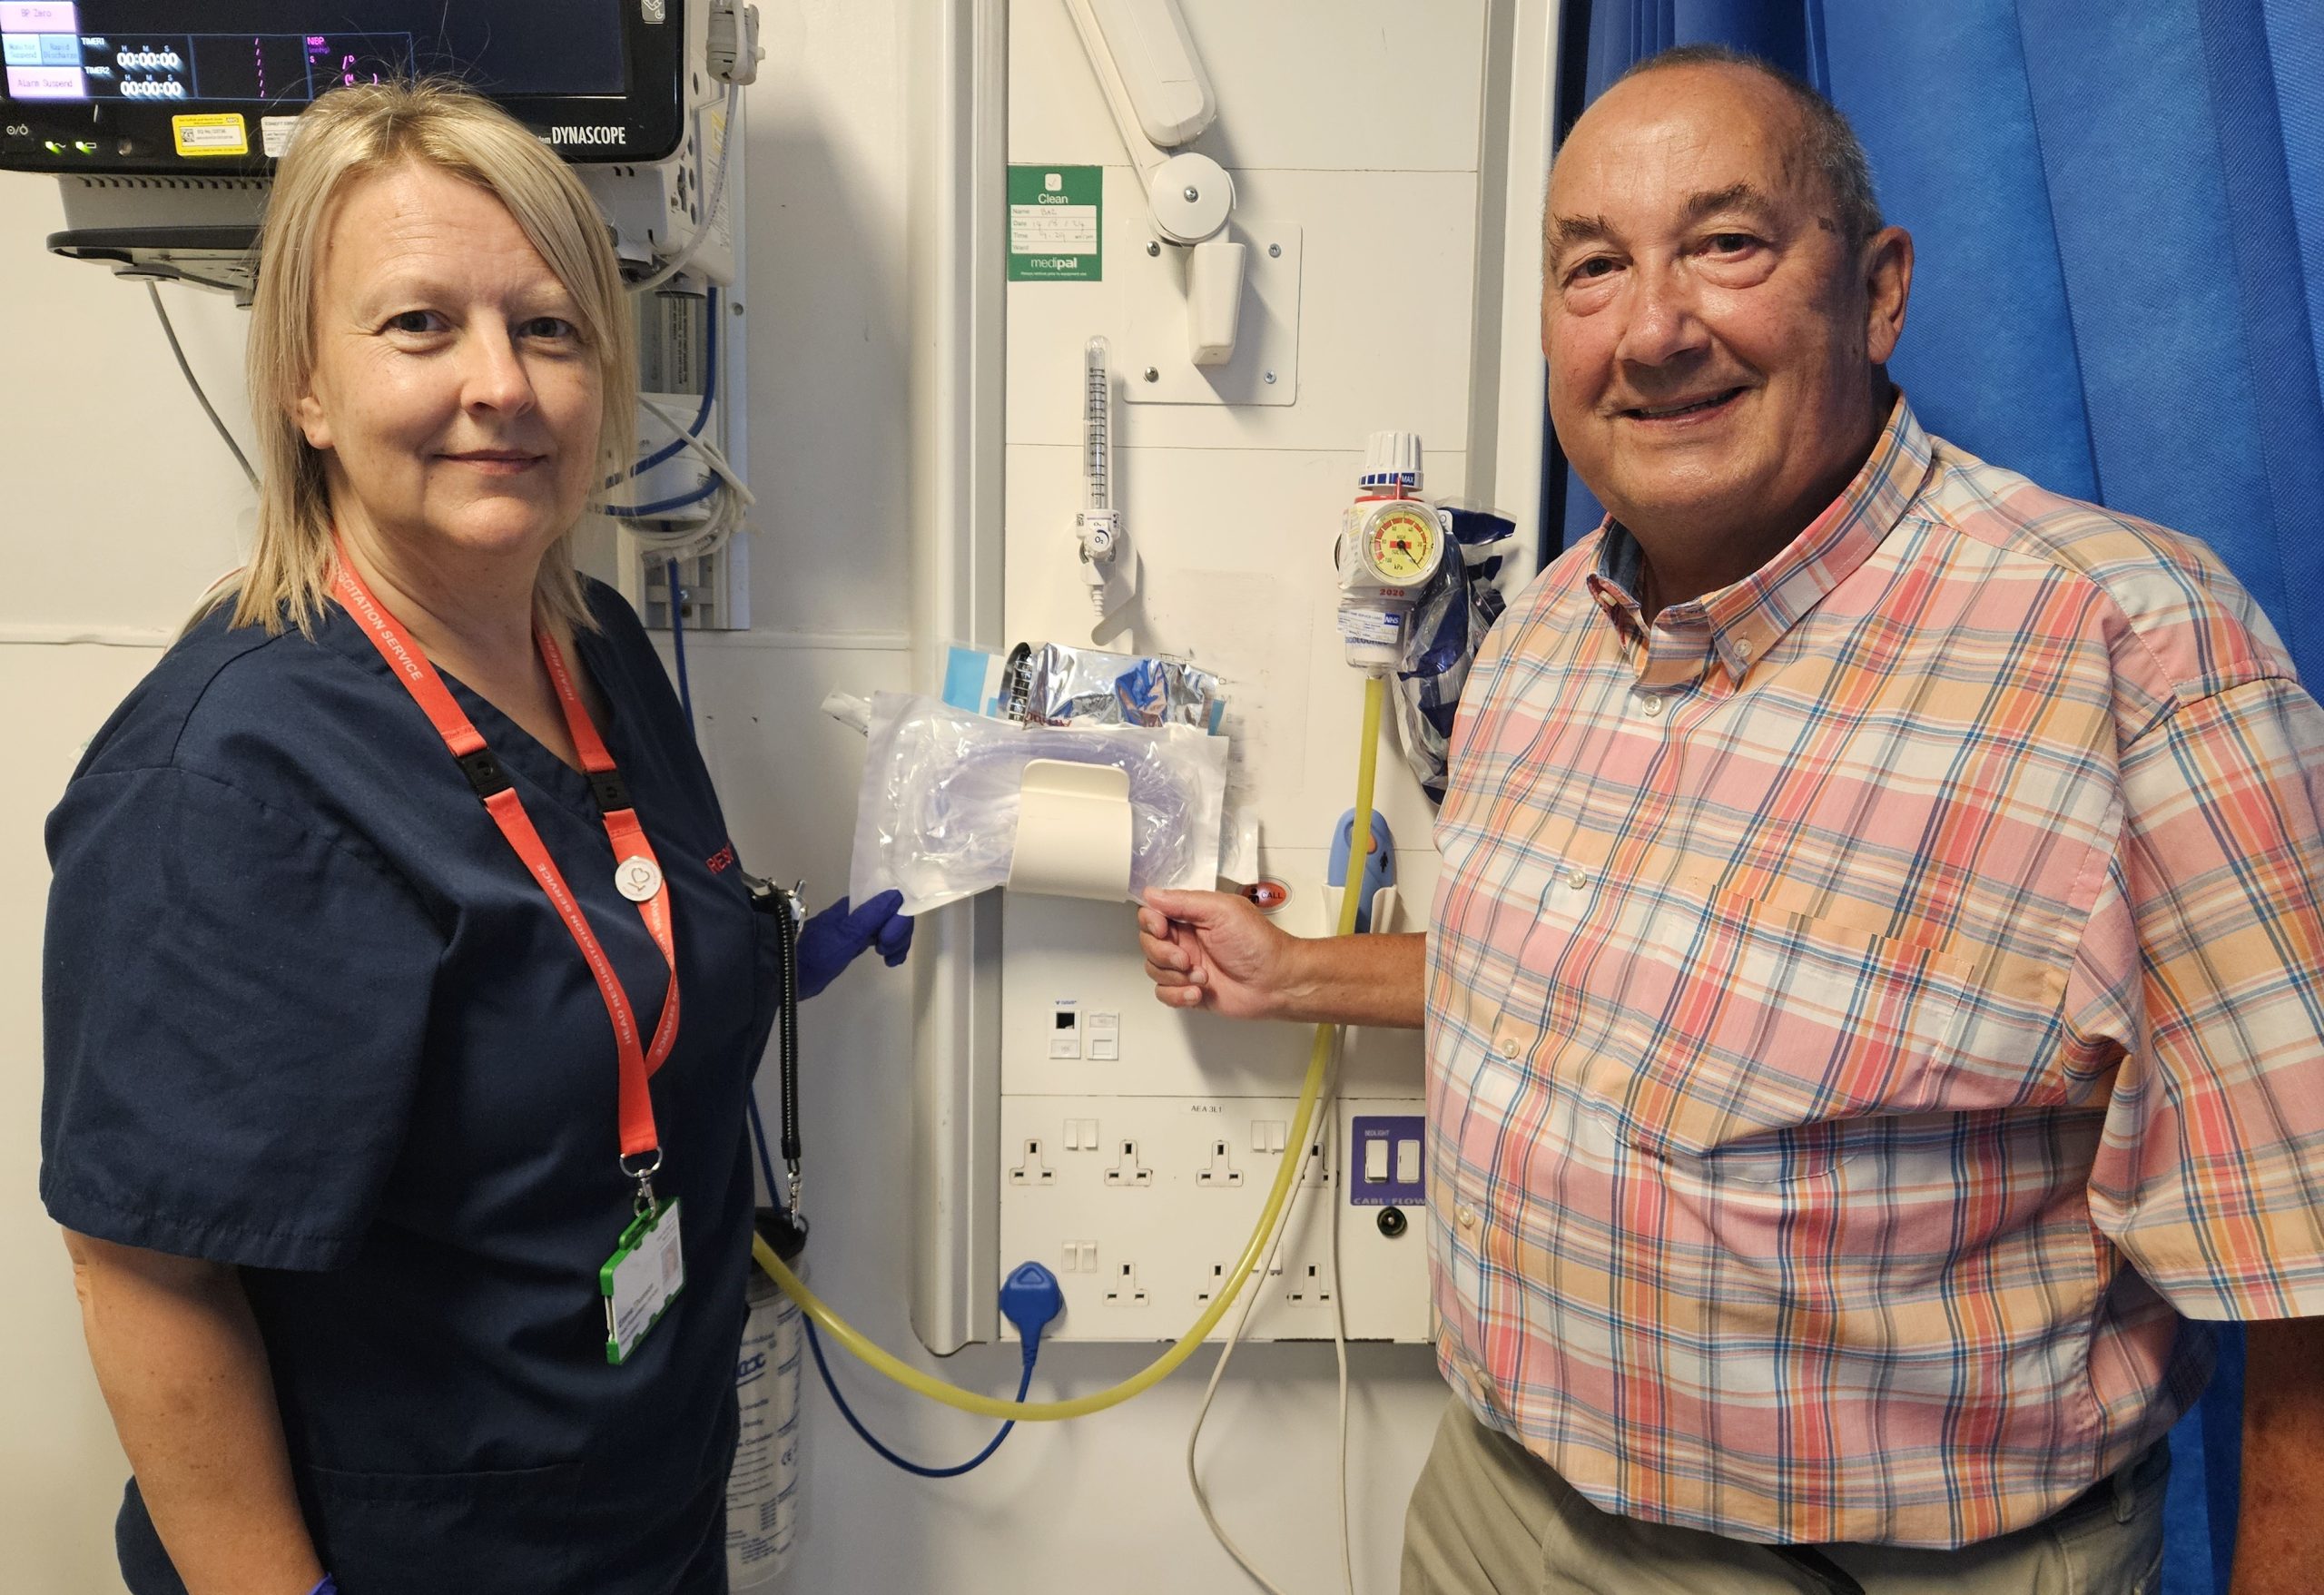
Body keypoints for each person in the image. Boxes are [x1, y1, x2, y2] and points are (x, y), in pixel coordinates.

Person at [1139, 44, 2324, 1594]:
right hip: (1499, 1505)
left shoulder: (2135, 654)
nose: (1653, 327)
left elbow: (2305, 1271)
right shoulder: (1546, 636)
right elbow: (1579, 993)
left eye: (1727, 243)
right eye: (1591, 268)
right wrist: (1292, 972)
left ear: (1880, 288)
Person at [40, 80, 907, 1595]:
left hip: (644, 1516)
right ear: (307, 389)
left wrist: (760, 963)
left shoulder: (599, 652)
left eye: (550, 328)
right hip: (411, 1554)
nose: (501, 383)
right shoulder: (232, 777)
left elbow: (559, 972)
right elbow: (144, 1265)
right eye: (419, 326)